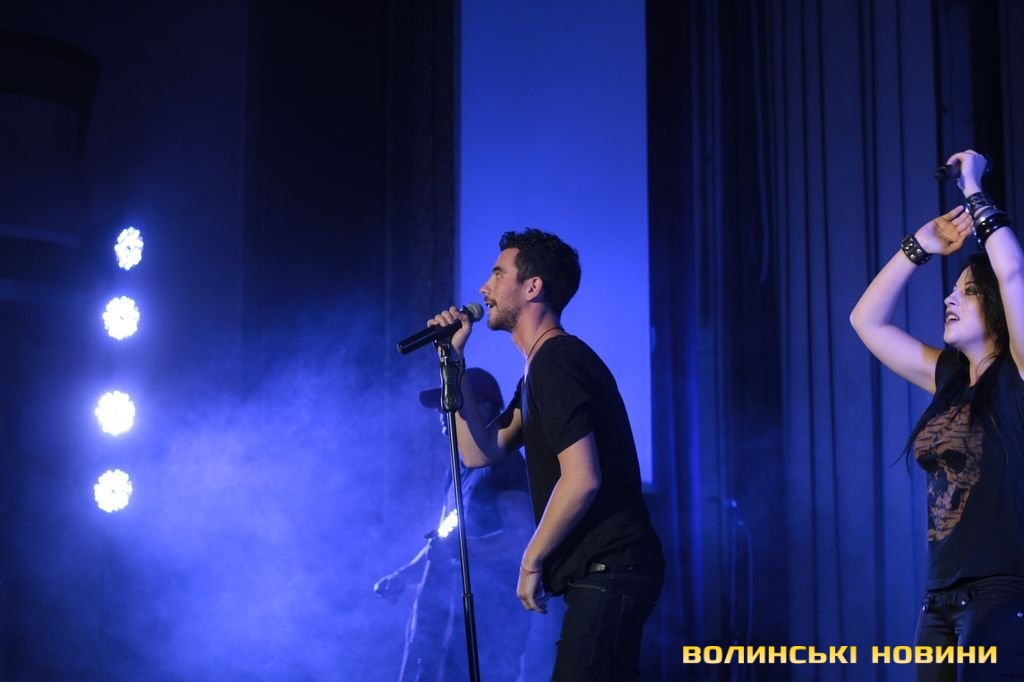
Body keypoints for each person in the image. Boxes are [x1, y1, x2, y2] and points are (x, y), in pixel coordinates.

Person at [427, 228, 665, 681]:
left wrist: (530, 560)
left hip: (611, 566)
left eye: (498, 274)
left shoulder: (557, 362)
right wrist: (453, 364)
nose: (484, 288)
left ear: (532, 287)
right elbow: (479, 452)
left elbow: (582, 478)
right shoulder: (539, 369)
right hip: (602, 571)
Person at [850, 149, 1024, 680]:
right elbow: (866, 321)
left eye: (967, 292)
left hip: (1003, 592)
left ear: (996, 306)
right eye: (950, 290)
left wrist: (973, 188)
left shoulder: (1017, 373)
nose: (950, 299)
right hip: (939, 599)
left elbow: (1013, 272)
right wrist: (920, 246)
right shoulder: (949, 376)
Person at [374, 367, 533, 682]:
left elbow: (521, 539)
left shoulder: (503, 462)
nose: (440, 413)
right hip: (450, 619)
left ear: (481, 407)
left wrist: (461, 550)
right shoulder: (459, 468)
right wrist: (404, 575)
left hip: (491, 621)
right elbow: (445, 539)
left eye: (448, 403)